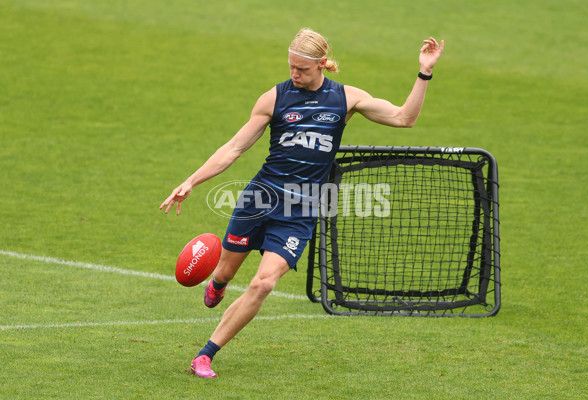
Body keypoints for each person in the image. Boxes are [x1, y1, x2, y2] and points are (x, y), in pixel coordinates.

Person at [160, 28, 444, 378]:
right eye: (291, 67)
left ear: (322, 64)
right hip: (259, 199)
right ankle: (218, 283)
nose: (294, 74)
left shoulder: (345, 98)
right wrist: (191, 180)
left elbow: (405, 118)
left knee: (263, 283)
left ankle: (205, 355)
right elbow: (234, 148)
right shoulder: (274, 99)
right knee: (225, 271)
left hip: (302, 210)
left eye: (302, 69)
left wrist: (424, 71)